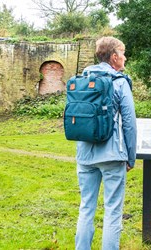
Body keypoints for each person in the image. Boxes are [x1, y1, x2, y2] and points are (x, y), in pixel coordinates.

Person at [75, 36, 137, 250]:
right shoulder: (119, 82)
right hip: (112, 156)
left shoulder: (83, 79)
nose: (125, 57)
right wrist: (131, 157)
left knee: (86, 208)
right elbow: (129, 123)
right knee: (112, 211)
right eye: (123, 53)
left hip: (85, 155)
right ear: (114, 57)